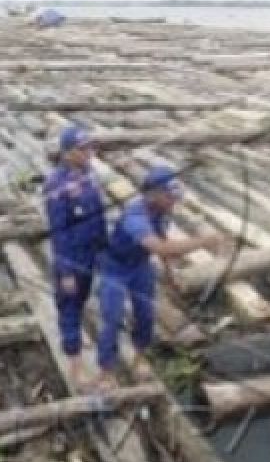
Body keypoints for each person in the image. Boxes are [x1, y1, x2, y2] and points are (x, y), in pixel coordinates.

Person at [96, 164, 223, 389]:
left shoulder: (163, 210)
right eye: (169, 196)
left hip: (140, 265)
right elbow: (160, 247)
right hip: (114, 267)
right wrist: (203, 242)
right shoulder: (135, 217)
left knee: (146, 314)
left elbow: (162, 237)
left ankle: (139, 358)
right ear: (153, 194)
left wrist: (170, 272)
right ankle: (106, 371)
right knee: (112, 318)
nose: (174, 201)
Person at [44, 125, 107, 384]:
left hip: (90, 254)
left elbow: (99, 217)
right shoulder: (56, 185)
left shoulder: (88, 176)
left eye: (90, 148)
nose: (89, 153)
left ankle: (78, 352)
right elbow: (58, 232)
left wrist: (105, 252)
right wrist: (66, 271)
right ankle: (75, 368)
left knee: (80, 303)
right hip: (71, 258)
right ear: (68, 153)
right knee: (69, 307)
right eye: (83, 149)